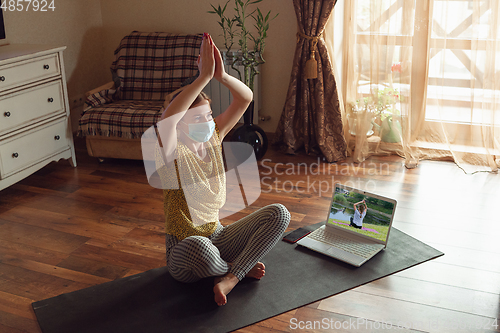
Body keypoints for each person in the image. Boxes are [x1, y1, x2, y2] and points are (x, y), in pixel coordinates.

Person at [152, 32, 290, 306]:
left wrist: (221, 76)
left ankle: (231, 277)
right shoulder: (171, 152)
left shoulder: (214, 136)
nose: (208, 122)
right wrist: (202, 77)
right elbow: (167, 122)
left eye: (207, 115)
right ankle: (234, 266)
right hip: (184, 249)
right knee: (199, 246)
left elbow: (245, 98)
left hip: (218, 236)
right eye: (197, 118)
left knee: (279, 214)